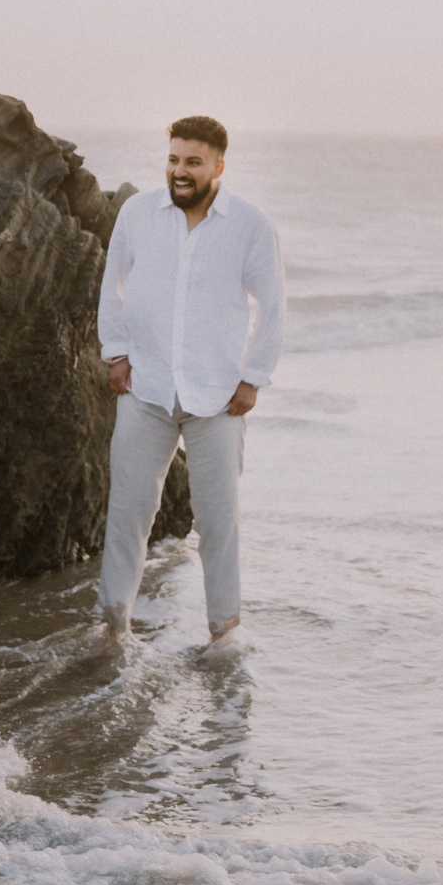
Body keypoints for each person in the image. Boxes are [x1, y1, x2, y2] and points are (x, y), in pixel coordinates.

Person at [93, 116, 284, 657]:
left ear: (218, 166)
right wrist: (116, 352)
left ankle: (224, 631)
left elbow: (273, 306)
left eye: (193, 162)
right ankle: (113, 627)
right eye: (174, 159)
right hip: (146, 389)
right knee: (128, 513)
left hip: (217, 399)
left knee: (218, 519)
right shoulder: (138, 214)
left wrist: (254, 377)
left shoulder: (249, 224)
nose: (180, 171)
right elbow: (114, 283)